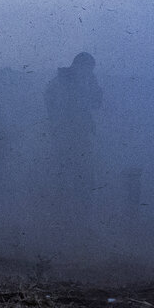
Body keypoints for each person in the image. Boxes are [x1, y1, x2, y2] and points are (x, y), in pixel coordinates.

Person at [45, 52, 103, 200]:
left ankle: (79, 205)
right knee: (65, 173)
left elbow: (96, 103)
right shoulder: (60, 82)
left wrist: (93, 86)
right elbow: (52, 105)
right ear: (78, 66)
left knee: (81, 173)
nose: (89, 72)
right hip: (65, 135)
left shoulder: (85, 81)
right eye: (88, 68)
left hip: (79, 134)